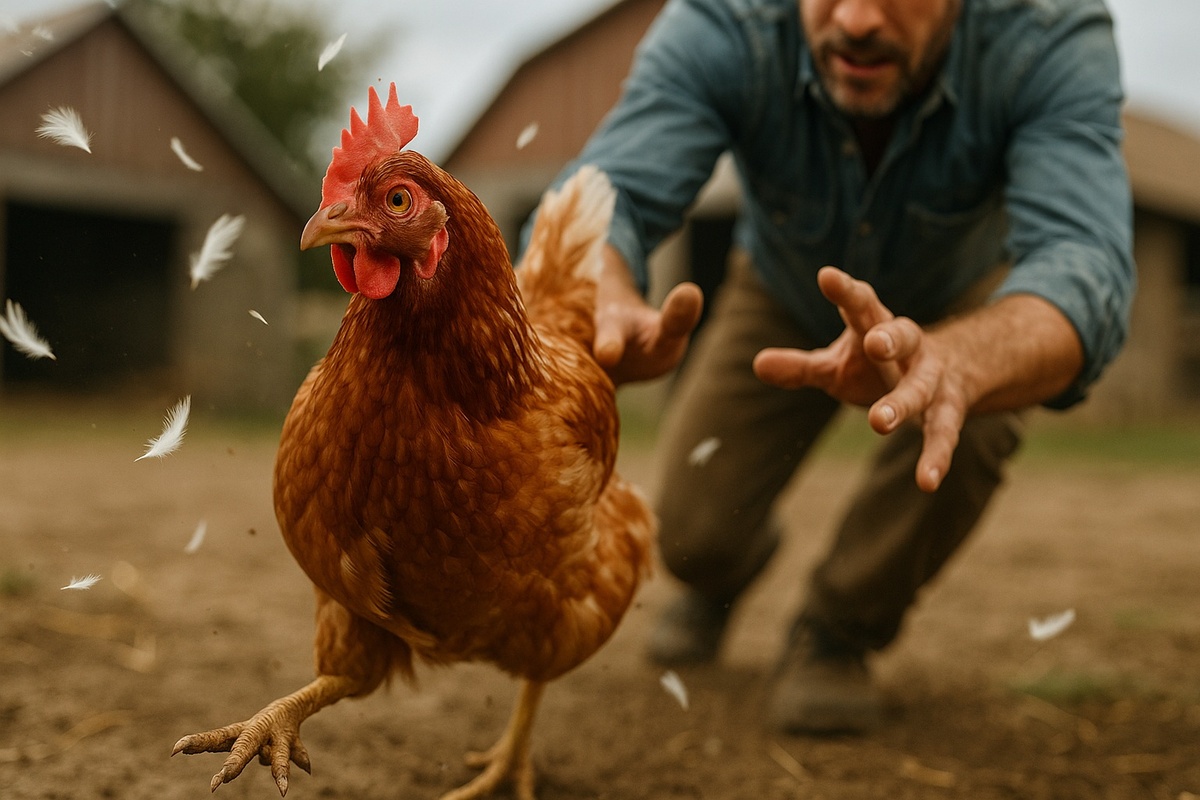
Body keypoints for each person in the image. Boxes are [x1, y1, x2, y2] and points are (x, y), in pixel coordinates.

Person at [534, 0, 1134, 733]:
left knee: (966, 424)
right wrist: (602, 287)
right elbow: (607, 184)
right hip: (784, 288)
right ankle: (726, 570)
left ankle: (837, 629)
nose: (853, 19)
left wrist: (961, 361)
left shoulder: (1051, 32)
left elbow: (1086, 258)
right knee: (690, 536)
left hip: (964, 301)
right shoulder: (723, 23)